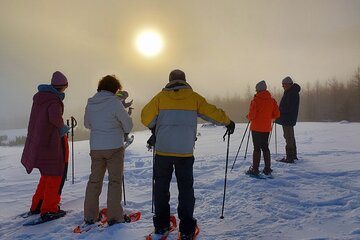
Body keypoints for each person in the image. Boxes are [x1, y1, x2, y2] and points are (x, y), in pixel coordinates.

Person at [141, 69, 235, 240]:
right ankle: (186, 229)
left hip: (163, 151)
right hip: (184, 152)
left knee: (161, 188)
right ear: (184, 80)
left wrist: (157, 127)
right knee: (185, 189)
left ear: (169, 81)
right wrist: (227, 121)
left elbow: (145, 117)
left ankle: (162, 226)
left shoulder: (160, 98)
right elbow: (211, 112)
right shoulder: (194, 98)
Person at [83, 75, 133, 225]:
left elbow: (87, 124)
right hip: (114, 148)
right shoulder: (115, 103)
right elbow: (128, 125)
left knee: (94, 181)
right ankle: (115, 216)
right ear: (115, 89)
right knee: (114, 181)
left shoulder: (91, 102)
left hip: (96, 148)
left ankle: (90, 216)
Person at [21, 71, 70, 220]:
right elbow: (55, 118)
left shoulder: (40, 98)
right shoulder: (53, 101)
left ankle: (37, 205)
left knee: (46, 174)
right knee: (56, 174)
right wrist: (64, 128)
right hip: (51, 142)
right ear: (62, 87)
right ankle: (49, 209)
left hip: (40, 142)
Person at [246, 80, 280, 176]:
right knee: (265, 147)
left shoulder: (255, 100)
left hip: (256, 128)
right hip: (266, 128)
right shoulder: (272, 100)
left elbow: (252, 115)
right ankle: (267, 168)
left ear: (258, 90)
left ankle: (255, 169)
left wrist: (248, 116)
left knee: (257, 148)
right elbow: (277, 114)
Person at [276, 76, 301, 163]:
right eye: (282, 84)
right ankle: (293, 155)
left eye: (284, 84)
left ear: (289, 84)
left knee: (288, 137)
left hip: (288, 118)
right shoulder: (290, 92)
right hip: (288, 118)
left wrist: (279, 111)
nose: (283, 86)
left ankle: (290, 157)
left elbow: (289, 107)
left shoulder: (292, 93)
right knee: (290, 137)